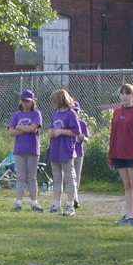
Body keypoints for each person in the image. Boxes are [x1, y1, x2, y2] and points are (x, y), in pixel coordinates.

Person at [108, 84, 133, 227]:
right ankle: (128, 214)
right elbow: (113, 134)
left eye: (127, 93)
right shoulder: (117, 112)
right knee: (127, 186)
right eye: (122, 93)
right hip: (119, 153)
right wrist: (111, 155)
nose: (124, 96)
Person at [47, 88, 81, 216]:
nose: (53, 103)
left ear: (61, 100)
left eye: (55, 100)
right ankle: (56, 205)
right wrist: (50, 132)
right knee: (57, 179)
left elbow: (76, 132)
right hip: (55, 150)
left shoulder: (71, 114)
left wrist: (61, 132)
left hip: (66, 150)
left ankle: (70, 205)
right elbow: (52, 128)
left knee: (69, 178)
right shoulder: (55, 114)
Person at [8, 90, 43, 212]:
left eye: (28, 101)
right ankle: (18, 203)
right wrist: (25, 129)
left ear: (32, 101)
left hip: (32, 149)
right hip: (19, 150)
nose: (25, 103)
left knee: (31, 177)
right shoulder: (17, 115)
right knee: (20, 177)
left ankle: (34, 203)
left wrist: (19, 127)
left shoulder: (36, 114)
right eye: (23, 101)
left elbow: (33, 128)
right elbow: (11, 132)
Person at [71, 101, 90, 209]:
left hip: (78, 152)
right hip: (68, 152)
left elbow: (87, 139)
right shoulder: (68, 123)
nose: (75, 112)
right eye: (73, 110)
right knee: (71, 176)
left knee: (77, 176)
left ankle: (75, 197)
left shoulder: (82, 124)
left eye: (76, 111)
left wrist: (84, 138)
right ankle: (73, 198)